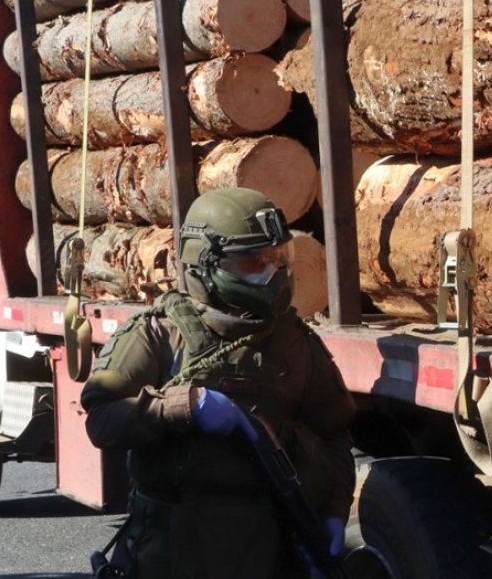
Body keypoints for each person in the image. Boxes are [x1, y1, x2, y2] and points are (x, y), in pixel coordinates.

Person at [81, 188, 357, 578]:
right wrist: (184, 405)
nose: (272, 275)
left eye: (279, 259)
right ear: (203, 265)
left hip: (267, 548)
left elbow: (333, 435)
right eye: (253, 264)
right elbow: (102, 420)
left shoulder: (294, 340)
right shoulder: (159, 334)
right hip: (171, 549)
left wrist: (332, 513)